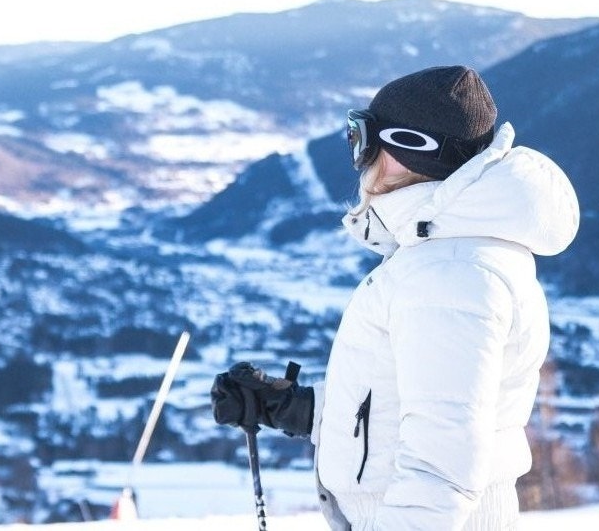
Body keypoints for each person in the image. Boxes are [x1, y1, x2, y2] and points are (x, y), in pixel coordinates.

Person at [211, 65, 579, 530]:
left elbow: (440, 462)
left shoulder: (451, 276)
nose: (359, 158)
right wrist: (296, 408)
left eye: (361, 139)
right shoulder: (443, 257)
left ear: (410, 150)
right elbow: (401, 405)